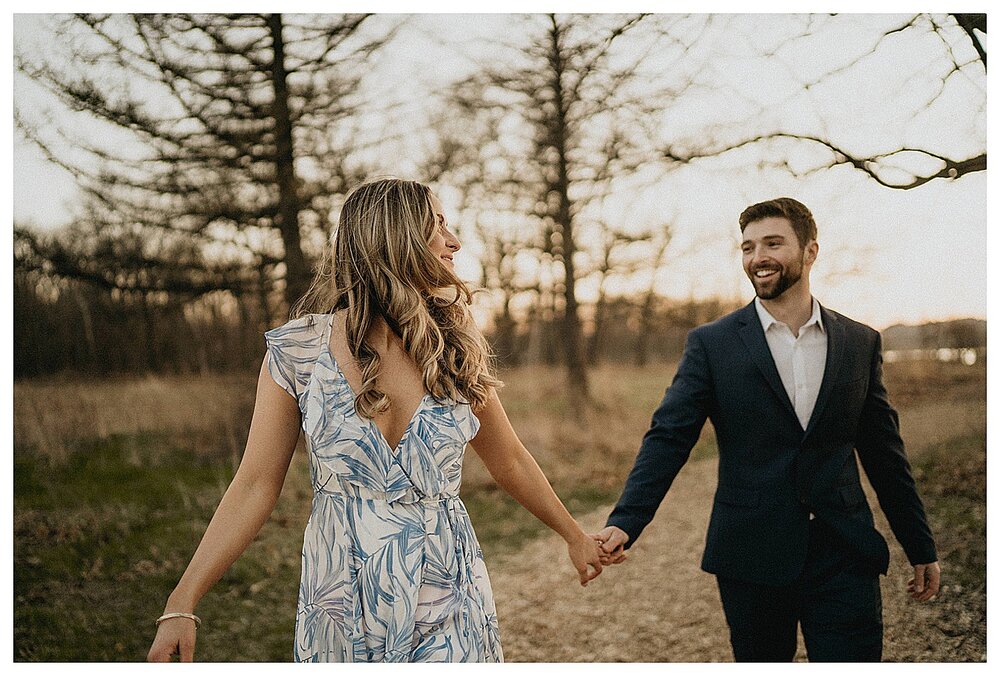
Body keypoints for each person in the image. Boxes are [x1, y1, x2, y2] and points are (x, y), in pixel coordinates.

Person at [147, 178, 604, 663]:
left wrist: (574, 535)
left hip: (448, 592)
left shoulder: (454, 346)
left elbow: (508, 459)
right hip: (341, 602)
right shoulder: (298, 351)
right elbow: (255, 484)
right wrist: (182, 602)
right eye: (439, 226)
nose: (455, 242)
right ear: (397, 238)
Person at [593, 197, 940, 662]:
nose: (758, 257)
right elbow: (668, 439)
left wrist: (919, 544)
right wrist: (625, 522)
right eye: (748, 247)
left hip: (845, 551)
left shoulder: (859, 342)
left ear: (810, 252)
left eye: (772, 243)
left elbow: (884, 454)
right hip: (750, 554)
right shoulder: (711, 344)